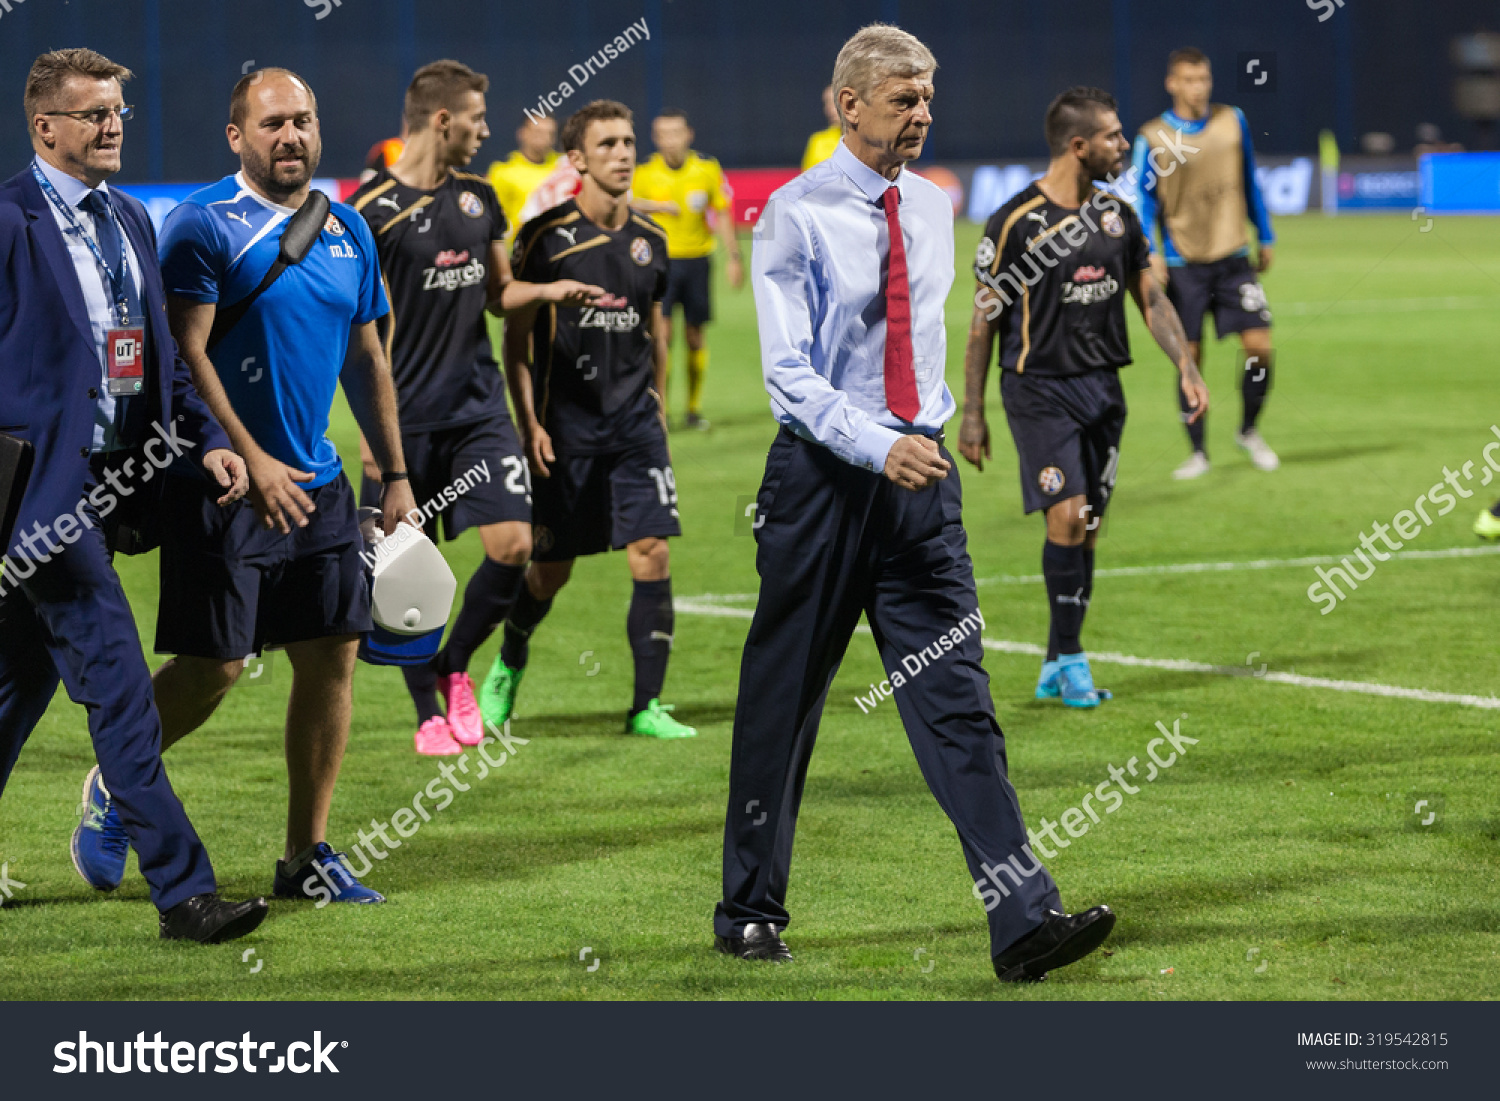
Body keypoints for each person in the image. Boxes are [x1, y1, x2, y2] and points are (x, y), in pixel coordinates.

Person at [717, 25, 1115, 982]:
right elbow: (787, 376)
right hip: (821, 484)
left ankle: (1024, 918)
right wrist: (874, 441)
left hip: (919, 488)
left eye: (929, 98)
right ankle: (748, 910)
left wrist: (931, 433)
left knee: (959, 702)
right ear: (848, 104)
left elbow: (930, 347)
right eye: (903, 100)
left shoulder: (935, 208)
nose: (922, 115)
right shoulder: (792, 215)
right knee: (786, 704)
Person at [74, 67, 419, 906]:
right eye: (272, 124)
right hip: (222, 484)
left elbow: (366, 355)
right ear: (238, 136)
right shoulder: (200, 225)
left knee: (330, 657)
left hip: (323, 483)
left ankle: (307, 854)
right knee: (216, 667)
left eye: (302, 119)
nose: (290, 136)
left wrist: (397, 473)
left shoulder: (347, 229)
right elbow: (184, 352)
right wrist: (246, 454)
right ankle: (114, 784)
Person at [0, 48, 266, 943]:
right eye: (91, 114)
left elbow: (158, 367)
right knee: (119, 686)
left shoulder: (130, 221)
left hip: (114, 498)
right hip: (41, 512)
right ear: (45, 127)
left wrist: (215, 443)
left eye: (117, 110)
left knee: (19, 681)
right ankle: (183, 893)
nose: (112, 124)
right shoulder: (6, 222)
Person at [350, 60, 602, 755]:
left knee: (515, 544)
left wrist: (548, 292)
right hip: (402, 422)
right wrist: (373, 429)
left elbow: (498, 291)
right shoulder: (369, 210)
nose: (487, 131)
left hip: (478, 410)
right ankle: (426, 713)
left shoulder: (479, 198)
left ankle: (453, 663)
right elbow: (358, 328)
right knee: (405, 576)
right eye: (477, 119)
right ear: (441, 120)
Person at [960, 86, 1209, 709]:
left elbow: (1149, 298)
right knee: (1067, 515)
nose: (1125, 146)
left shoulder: (1115, 217)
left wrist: (1186, 364)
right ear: (1080, 145)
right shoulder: (1015, 223)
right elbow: (982, 323)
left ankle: (1055, 657)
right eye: (1114, 137)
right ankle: (1073, 660)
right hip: (1037, 391)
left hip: (1104, 390)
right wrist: (971, 413)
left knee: (1089, 527)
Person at [490, 100, 695, 740]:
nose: (624, 153)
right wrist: (530, 423)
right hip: (567, 431)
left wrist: (657, 401)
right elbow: (516, 342)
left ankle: (646, 707)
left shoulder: (653, 240)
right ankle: (507, 663)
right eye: (607, 144)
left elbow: (653, 330)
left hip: (634, 427)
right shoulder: (546, 239)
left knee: (652, 552)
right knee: (551, 570)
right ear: (576, 159)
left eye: (629, 141)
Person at [1131, 47, 1277, 479]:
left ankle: (1248, 431)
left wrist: (1264, 233)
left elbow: (1249, 177)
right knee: (1189, 359)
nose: (1198, 87)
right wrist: (1150, 251)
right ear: (1172, 83)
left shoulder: (1233, 121)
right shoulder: (1154, 137)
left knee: (1259, 348)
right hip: (1182, 263)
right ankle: (1198, 452)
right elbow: (1141, 200)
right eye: (1189, 80)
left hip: (1233, 256)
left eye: (1204, 79)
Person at [630, 109, 743, 428]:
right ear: (655, 138)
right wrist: (658, 207)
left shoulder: (706, 169)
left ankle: (693, 409)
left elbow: (721, 211)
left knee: (695, 336)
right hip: (660, 263)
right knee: (661, 336)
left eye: (675, 132)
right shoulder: (645, 172)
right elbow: (627, 202)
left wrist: (734, 257)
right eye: (663, 134)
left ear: (688, 134)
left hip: (697, 262)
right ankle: (658, 409)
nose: (670, 140)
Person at [487, 115, 561, 241]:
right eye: (538, 132)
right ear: (522, 133)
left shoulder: (565, 167)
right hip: (520, 249)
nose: (544, 138)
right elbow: (492, 221)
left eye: (550, 133)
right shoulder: (502, 173)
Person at [801, 84, 841, 170]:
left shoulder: (868, 140)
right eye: (827, 103)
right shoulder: (818, 141)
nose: (830, 109)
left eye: (835, 102)